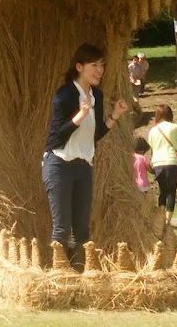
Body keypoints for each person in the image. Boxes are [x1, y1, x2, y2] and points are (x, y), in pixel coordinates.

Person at [42, 43, 128, 267]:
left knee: (81, 229)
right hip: (59, 163)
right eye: (94, 65)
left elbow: (95, 134)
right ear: (79, 67)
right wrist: (80, 115)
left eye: (102, 65)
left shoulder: (96, 95)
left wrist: (114, 116)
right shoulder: (66, 93)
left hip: (83, 167)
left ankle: (80, 274)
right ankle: (59, 276)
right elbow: (57, 135)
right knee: (61, 227)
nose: (99, 70)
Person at [148, 104, 177, 224]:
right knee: (171, 191)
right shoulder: (174, 127)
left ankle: (161, 218)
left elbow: (152, 149)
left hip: (158, 163)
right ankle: (168, 219)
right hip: (172, 161)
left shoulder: (153, 130)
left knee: (162, 191)